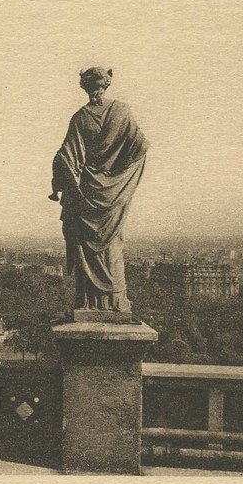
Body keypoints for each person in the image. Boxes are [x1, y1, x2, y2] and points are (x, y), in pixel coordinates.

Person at [51, 67, 148, 312]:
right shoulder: (122, 112)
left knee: (88, 249)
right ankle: (114, 302)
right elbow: (140, 147)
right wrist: (120, 176)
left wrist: (62, 179)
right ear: (106, 85)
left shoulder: (80, 117)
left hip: (86, 193)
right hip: (112, 194)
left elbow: (65, 156)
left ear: (86, 87)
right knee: (113, 245)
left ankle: (89, 302)